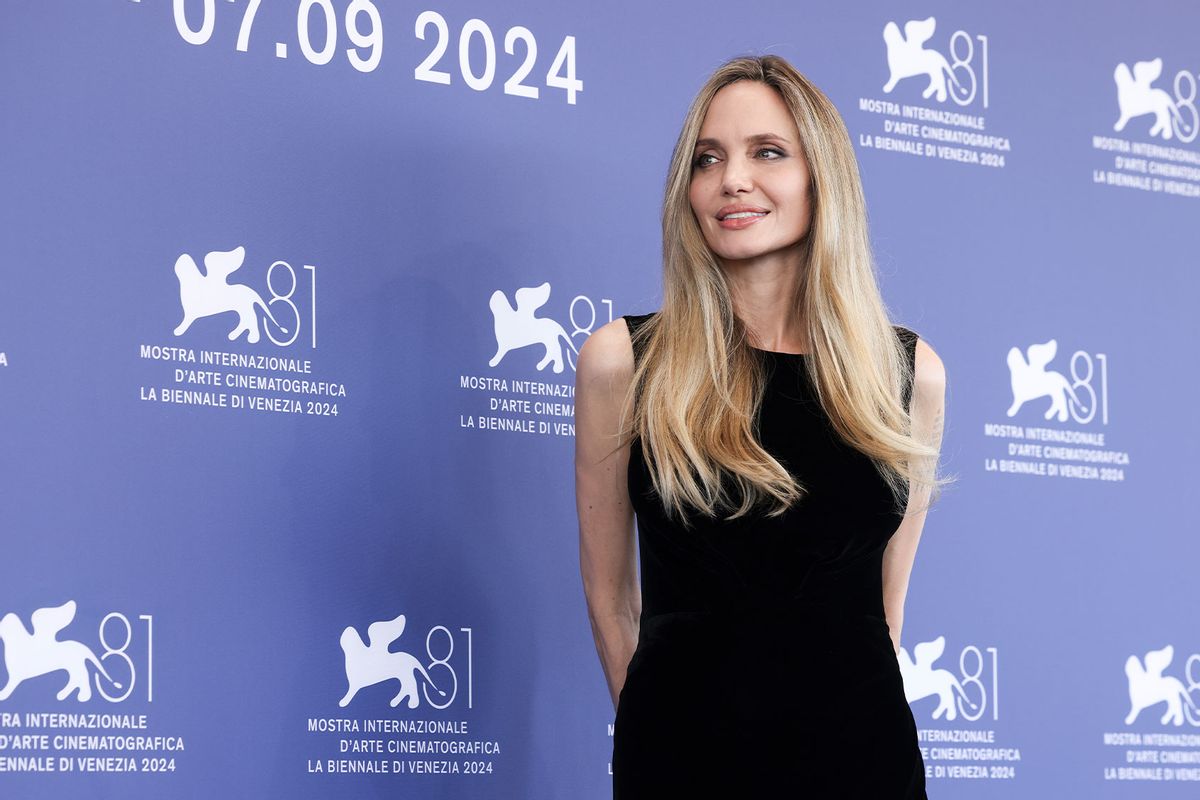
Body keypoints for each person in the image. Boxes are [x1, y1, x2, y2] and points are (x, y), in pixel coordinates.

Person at [574, 53, 950, 798]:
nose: (731, 180)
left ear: (822, 178)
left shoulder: (908, 375)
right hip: (684, 770)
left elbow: (884, 609)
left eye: (767, 153)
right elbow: (612, 602)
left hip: (866, 769)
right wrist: (666, 743)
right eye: (706, 159)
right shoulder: (624, 361)